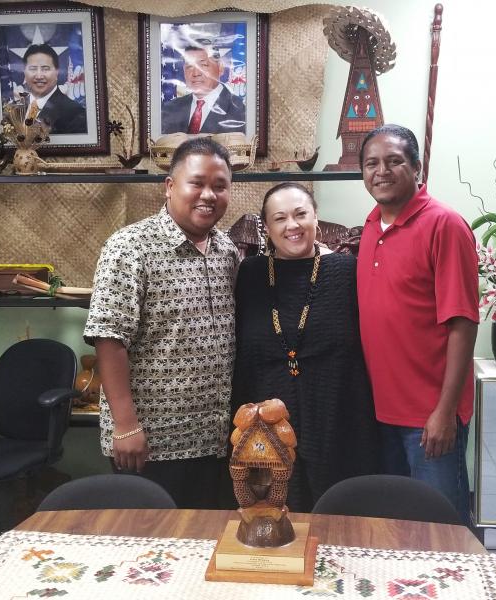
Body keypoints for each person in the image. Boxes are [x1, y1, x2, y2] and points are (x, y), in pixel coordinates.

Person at [83, 138, 240, 508]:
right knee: (153, 549)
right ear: (169, 186)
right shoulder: (130, 247)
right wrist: (125, 425)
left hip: (213, 437)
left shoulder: (226, 251)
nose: (209, 195)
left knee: (204, 543)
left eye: (220, 186)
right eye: (196, 183)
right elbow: (109, 338)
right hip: (151, 441)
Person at [356, 124, 479, 525]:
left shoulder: (445, 225)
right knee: (398, 526)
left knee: (444, 527)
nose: (382, 171)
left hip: (429, 417)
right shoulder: (372, 225)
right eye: (372, 163)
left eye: (394, 161)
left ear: (416, 167)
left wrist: (444, 412)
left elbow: (463, 323)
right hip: (382, 414)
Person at [232, 182, 378, 512]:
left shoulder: (345, 271)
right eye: (279, 218)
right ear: (267, 228)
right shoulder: (250, 274)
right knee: (272, 516)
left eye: (300, 214)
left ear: (316, 217)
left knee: (340, 518)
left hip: (337, 415)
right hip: (266, 421)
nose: (292, 226)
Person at [161, 44, 246, 135]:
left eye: (204, 65)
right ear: (184, 70)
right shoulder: (169, 109)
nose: (196, 73)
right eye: (190, 66)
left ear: (220, 67)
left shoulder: (241, 111)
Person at [22, 43, 87, 135]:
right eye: (33, 69)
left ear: (57, 72)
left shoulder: (74, 113)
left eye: (45, 69)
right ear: (24, 72)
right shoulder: (13, 110)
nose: (39, 76)